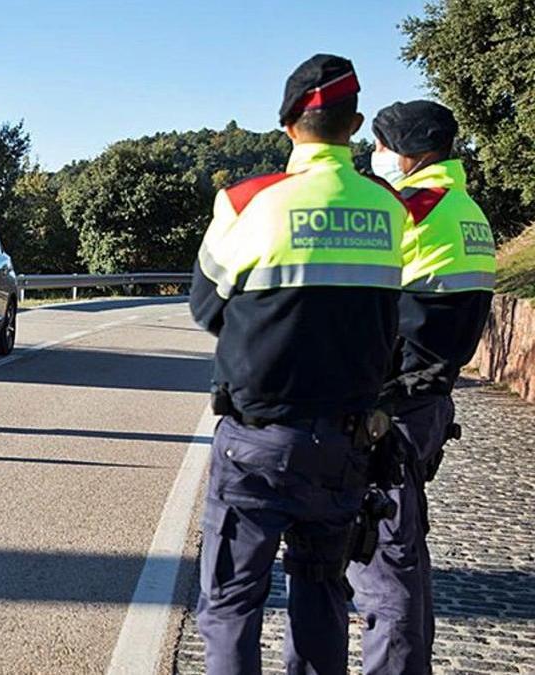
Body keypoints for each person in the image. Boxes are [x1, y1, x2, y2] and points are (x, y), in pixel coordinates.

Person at [189, 54, 412, 674]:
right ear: (358, 123)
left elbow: (207, 308)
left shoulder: (245, 202)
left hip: (257, 441)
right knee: (322, 597)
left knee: (232, 604)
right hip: (346, 443)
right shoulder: (388, 206)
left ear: (288, 124)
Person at [347, 101, 496, 675]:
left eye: (381, 146)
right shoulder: (464, 206)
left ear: (411, 153)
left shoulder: (411, 208)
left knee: (383, 562)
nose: (374, 155)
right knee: (404, 553)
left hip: (394, 403)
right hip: (430, 396)